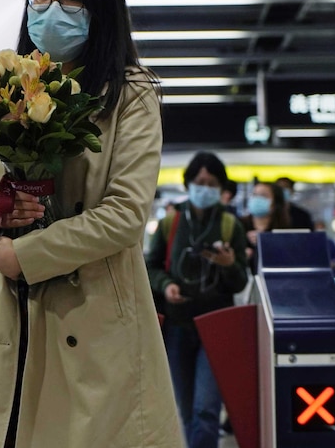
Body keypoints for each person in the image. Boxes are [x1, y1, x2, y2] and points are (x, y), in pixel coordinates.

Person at [0, 0, 183, 448]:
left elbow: (126, 214)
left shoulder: (129, 95)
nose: (54, 8)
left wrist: (25, 254)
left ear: (102, 8)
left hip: (88, 326)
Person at [145, 151, 249, 448]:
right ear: (189, 183)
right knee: (187, 409)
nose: (204, 187)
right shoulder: (171, 222)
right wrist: (166, 286)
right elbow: (151, 267)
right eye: (199, 181)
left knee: (206, 408)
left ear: (221, 187)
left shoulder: (231, 226)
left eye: (211, 182)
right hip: (178, 325)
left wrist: (229, 264)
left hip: (217, 327)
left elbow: (241, 280)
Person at [240, 181, 290, 274]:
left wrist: (266, 241)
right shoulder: (239, 224)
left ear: (275, 202)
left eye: (263, 196)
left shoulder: (285, 228)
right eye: (255, 195)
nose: (257, 199)